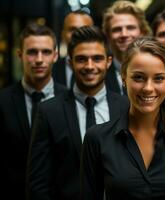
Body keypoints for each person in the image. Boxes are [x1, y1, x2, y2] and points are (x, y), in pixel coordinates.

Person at [80, 37, 165, 200]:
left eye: (159, 78)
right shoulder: (97, 139)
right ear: (124, 78)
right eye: (139, 77)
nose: (148, 88)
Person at [26, 26, 129, 200]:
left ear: (108, 61)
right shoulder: (49, 111)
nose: (89, 66)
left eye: (97, 58)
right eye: (81, 59)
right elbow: (38, 182)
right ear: (70, 62)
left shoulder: (126, 107)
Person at [0, 23, 67, 200]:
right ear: (20, 55)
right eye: (32, 52)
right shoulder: (2, 101)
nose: (39, 59)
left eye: (45, 52)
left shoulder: (71, 100)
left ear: (55, 55)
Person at [102, 0, 152, 94]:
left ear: (142, 33)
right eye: (117, 29)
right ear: (108, 36)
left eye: (130, 28)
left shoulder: (156, 69)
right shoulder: (99, 75)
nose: (124, 34)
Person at [52, 9, 94, 89]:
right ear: (63, 35)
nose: (78, 34)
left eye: (84, 30)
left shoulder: (105, 71)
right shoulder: (51, 71)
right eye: (72, 29)